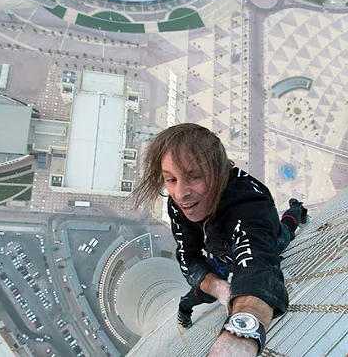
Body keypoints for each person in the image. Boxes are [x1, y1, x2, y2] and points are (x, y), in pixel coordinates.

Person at [132, 123, 309, 357]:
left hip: (264, 239)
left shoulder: (249, 207)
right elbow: (188, 254)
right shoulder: (180, 200)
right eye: (170, 179)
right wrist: (218, 287)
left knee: (286, 231)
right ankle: (184, 310)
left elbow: (258, 269)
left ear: (219, 171)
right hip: (222, 255)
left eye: (193, 176)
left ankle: (297, 209)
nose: (180, 193)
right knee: (196, 293)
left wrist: (240, 336)